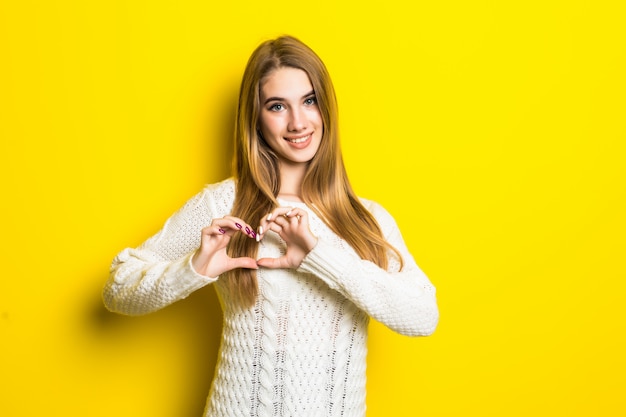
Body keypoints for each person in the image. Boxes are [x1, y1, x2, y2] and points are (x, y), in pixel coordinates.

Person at [103, 35, 439, 417]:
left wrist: (319, 255)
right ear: (256, 120)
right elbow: (117, 287)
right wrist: (193, 269)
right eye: (277, 106)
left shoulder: (366, 219)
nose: (298, 122)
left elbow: (423, 317)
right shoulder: (223, 204)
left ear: (326, 107)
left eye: (309, 101)